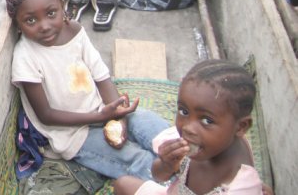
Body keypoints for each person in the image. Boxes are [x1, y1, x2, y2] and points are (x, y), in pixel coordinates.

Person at [6, 0, 169, 181]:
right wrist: (101, 118)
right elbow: (46, 115)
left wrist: (118, 115)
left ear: (62, 6)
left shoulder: (74, 30)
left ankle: (187, 160)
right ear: (18, 24)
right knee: (134, 158)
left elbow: (101, 75)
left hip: (101, 109)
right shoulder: (25, 57)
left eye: (51, 14)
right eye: (30, 20)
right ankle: (177, 186)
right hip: (73, 135)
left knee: (148, 123)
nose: (44, 26)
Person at [112, 59, 265, 195]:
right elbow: (159, 175)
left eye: (207, 120)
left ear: (241, 127)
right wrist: (166, 164)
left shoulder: (241, 186)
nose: (187, 128)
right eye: (184, 111)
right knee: (122, 184)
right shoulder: (199, 141)